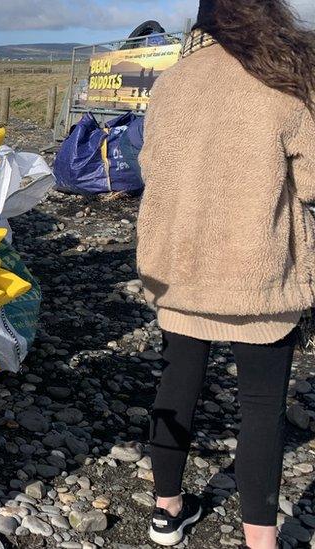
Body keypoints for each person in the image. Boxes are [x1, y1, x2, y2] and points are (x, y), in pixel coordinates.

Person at [137, 0, 315, 547]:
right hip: (258, 273)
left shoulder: (172, 82)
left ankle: (167, 513)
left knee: (176, 386)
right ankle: (260, 540)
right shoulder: (285, 78)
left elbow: (151, 168)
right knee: (262, 409)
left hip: (178, 267)